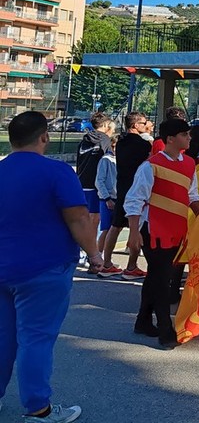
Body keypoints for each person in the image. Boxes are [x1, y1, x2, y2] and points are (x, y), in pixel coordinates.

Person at [1, 111, 100, 423]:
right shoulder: (57, 172)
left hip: (3, 266)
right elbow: (78, 218)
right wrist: (95, 254)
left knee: (3, 338)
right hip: (44, 268)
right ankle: (38, 409)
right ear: (44, 137)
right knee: (36, 339)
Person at [124, 118, 199, 348]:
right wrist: (134, 232)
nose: (189, 138)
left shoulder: (189, 164)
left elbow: (192, 195)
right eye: (184, 134)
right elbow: (135, 200)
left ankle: (143, 320)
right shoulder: (150, 166)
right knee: (161, 278)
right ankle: (165, 329)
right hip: (153, 231)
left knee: (157, 276)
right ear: (170, 139)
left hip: (176, 231)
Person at [102, 112, 151, 279]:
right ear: (136, 125)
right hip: (136, 189)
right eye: (144, 123)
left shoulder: (121, 142)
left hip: (122, 187)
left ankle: (106, 263)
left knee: (116, 225)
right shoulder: (143, 145)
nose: (146, 126)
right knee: (136, 227)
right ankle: (131, 266)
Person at [75, 112, 114, 261]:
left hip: (82, 182)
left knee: (85, 218)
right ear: (105, 125)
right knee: (94, 219)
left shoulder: (84, 140)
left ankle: (81, 250)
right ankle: (89, 253)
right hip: (95, 183)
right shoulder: (104, 140)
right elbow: (107, 160)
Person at [94, 135, 120, 277]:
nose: (115, 149)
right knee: (106, 229)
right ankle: (99, 258)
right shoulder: (105, 160)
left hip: (117, 198)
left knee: (114, 228)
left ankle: (106, 259)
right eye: (114, 146)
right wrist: (107, 198)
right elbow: (99, 181)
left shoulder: (120, 160)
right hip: (107, 199)